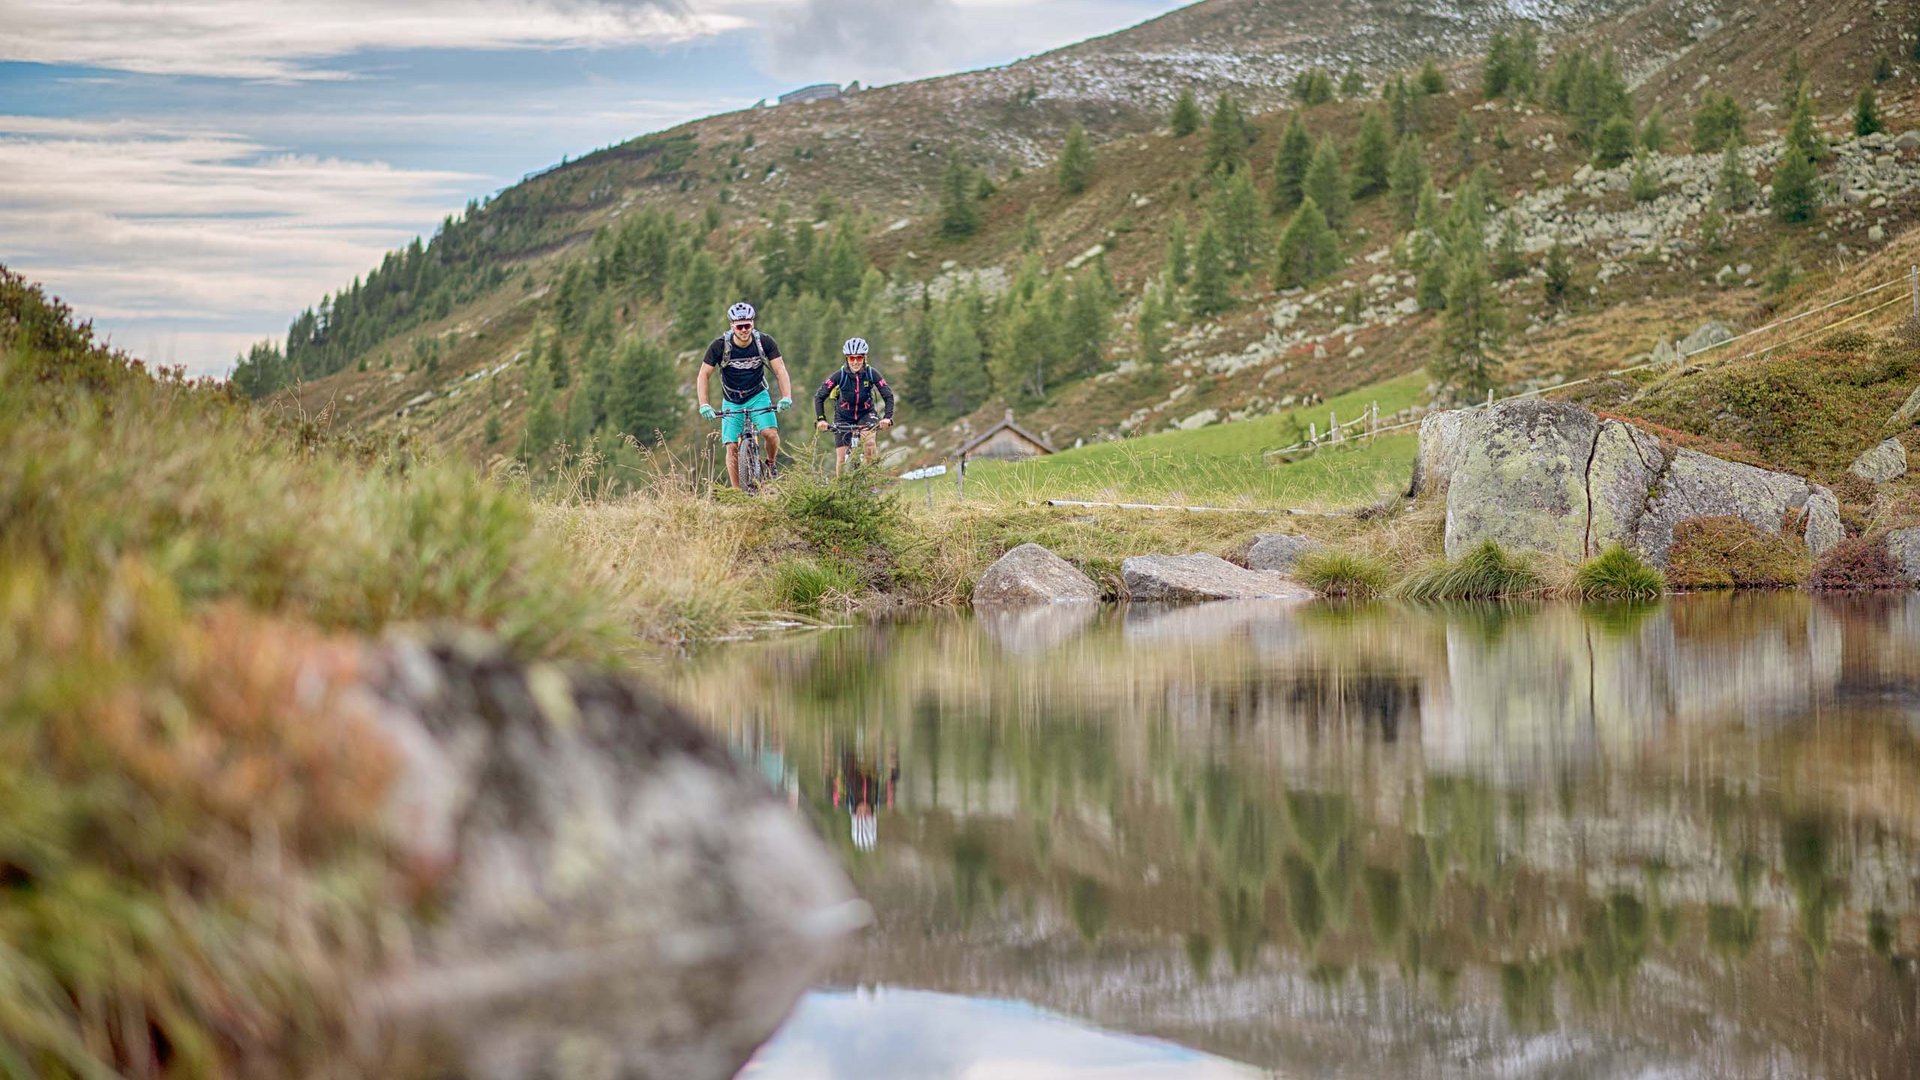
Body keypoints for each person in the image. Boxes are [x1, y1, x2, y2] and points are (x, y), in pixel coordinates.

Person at [696, 301, 793, 488]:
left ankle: (771, 465)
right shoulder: (719, 346)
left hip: (758, 395)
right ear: (732, 326)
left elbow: (780, 370)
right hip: (732, 400)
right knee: (732, 446)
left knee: (770, 434)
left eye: (747, 325)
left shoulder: (764, 342)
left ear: (753, 324)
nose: (743, 330)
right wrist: (704, 404)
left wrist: (786, 396)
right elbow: (703, 375)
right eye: (739, 326)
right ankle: (736, 492)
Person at [813, 336, 895, 475]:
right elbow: (819, 396)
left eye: (859, 358)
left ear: (864, 358)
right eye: (852, 358)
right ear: (847, 358)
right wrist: (821, 419)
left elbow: (888, 394)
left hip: (866, 413)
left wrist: (887, 417)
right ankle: (841, 490)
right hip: (843, 416)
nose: (855, 362)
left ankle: (871, 480)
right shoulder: (839, 375)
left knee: (869, 444)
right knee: (841, 459)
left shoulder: (871, 373)